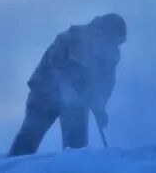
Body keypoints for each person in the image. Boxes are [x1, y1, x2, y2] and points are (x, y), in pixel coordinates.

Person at [8, 14, 127, 156]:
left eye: (116, 43)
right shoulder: (70, 38)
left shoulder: (110, 55)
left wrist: (100, 107)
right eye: (111, 40)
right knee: (29, 137)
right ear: (101, 31)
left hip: (77, 103)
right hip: (44, 94)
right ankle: (7, 172)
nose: (112, 46)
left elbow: (106, 84)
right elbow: (56, 65)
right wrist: (76, 89)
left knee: (77, 148)